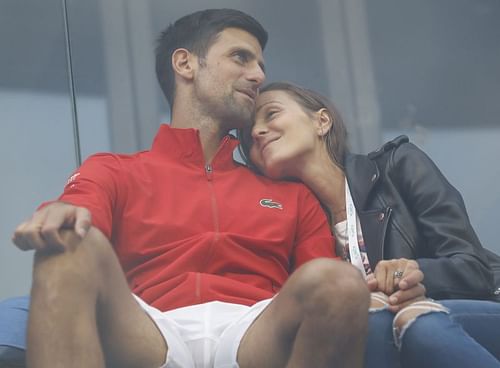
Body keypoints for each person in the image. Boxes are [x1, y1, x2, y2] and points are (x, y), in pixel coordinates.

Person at [11, 9, 375, 368]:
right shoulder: (114, 170)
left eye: (261, 66)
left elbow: (326, 293)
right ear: (185, 64)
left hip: (254, 332)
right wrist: (61, 212)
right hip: (149, 330)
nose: (258, 75)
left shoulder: (293, 196)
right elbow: (80, 209)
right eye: (240, 58)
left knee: (337, 282)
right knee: (70, 241)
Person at [240, 81, 500, 367]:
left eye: (271, 114)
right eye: (248, 137)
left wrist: (417, 273)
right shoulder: (287, 229)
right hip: (390, 341)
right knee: (373, 323)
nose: (256, 132)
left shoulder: (398, 166)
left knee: (418, 323)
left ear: (322, 121)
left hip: (473, 313)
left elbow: (475, 268)